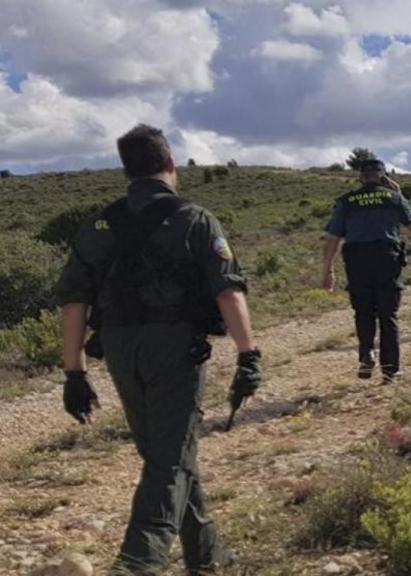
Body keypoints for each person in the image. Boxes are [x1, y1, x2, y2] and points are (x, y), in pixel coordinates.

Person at [57, 124, 261, 575]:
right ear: (170, 165)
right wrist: (248, 356)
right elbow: (228, 291)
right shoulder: (195, 217)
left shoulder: (98, 225)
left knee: (166, 451)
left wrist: (74, 372)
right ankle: (137, 563)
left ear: (126, 170)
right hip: (173, 346)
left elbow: (75, 301)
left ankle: (207, 554)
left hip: (119, 347)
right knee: (169, 459)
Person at [322, 159, 411, 383]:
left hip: (357, 260)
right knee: (388, 314)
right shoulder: (393, 197)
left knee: (363, 311)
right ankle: (390, 370)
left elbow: (333, 238)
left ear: (360, 177)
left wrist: (327, 270)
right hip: (386, 259)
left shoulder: (347, 201)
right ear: (383, 176)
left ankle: (367, 354)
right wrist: (400, 193)